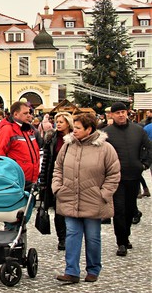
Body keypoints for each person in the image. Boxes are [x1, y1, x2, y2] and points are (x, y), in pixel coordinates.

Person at [53, 113, 120, 283]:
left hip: (93, 200)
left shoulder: (105, 148)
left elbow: (114, 174)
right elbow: (58, 168)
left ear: (89, 130)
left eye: (77, 128)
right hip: (69, 197)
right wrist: (58, 188)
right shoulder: (67, 146)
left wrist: (103, 194)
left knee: (92, 237)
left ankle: (93, 269)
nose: (73, 131)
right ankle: (71, 271)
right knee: (72, 235)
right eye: (73, 127)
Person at [104, 102, 152, 256]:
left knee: (130, 209)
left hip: (134, 176)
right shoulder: (106, 132)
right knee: (119, 210)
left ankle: (126, 236)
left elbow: (149, 147)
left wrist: (145, 164)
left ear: (127, 113)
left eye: (123, 112)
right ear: (112, 115)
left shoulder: (138, 130)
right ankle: (121, 242)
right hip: (115, 178)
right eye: (117, 113)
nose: (121, 115)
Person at [38, 112, 74, 251]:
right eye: (57, 121)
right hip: (54, 177)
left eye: (61, 122)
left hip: (71, 178)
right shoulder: (51, 138)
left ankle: (71, 235)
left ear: (68, 123)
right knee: (58, 210)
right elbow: (46, 160)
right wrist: (43, 181)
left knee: (69, 210)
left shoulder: (74, 138)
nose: (58, 124)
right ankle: (62, 238)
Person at [0, 101, 41, 188]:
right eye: (25, 113)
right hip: (15, 181)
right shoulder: (7, 130)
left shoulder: (28, 130)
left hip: (31, 180)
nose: (29, 115)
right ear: (15, 114)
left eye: (29, 113)